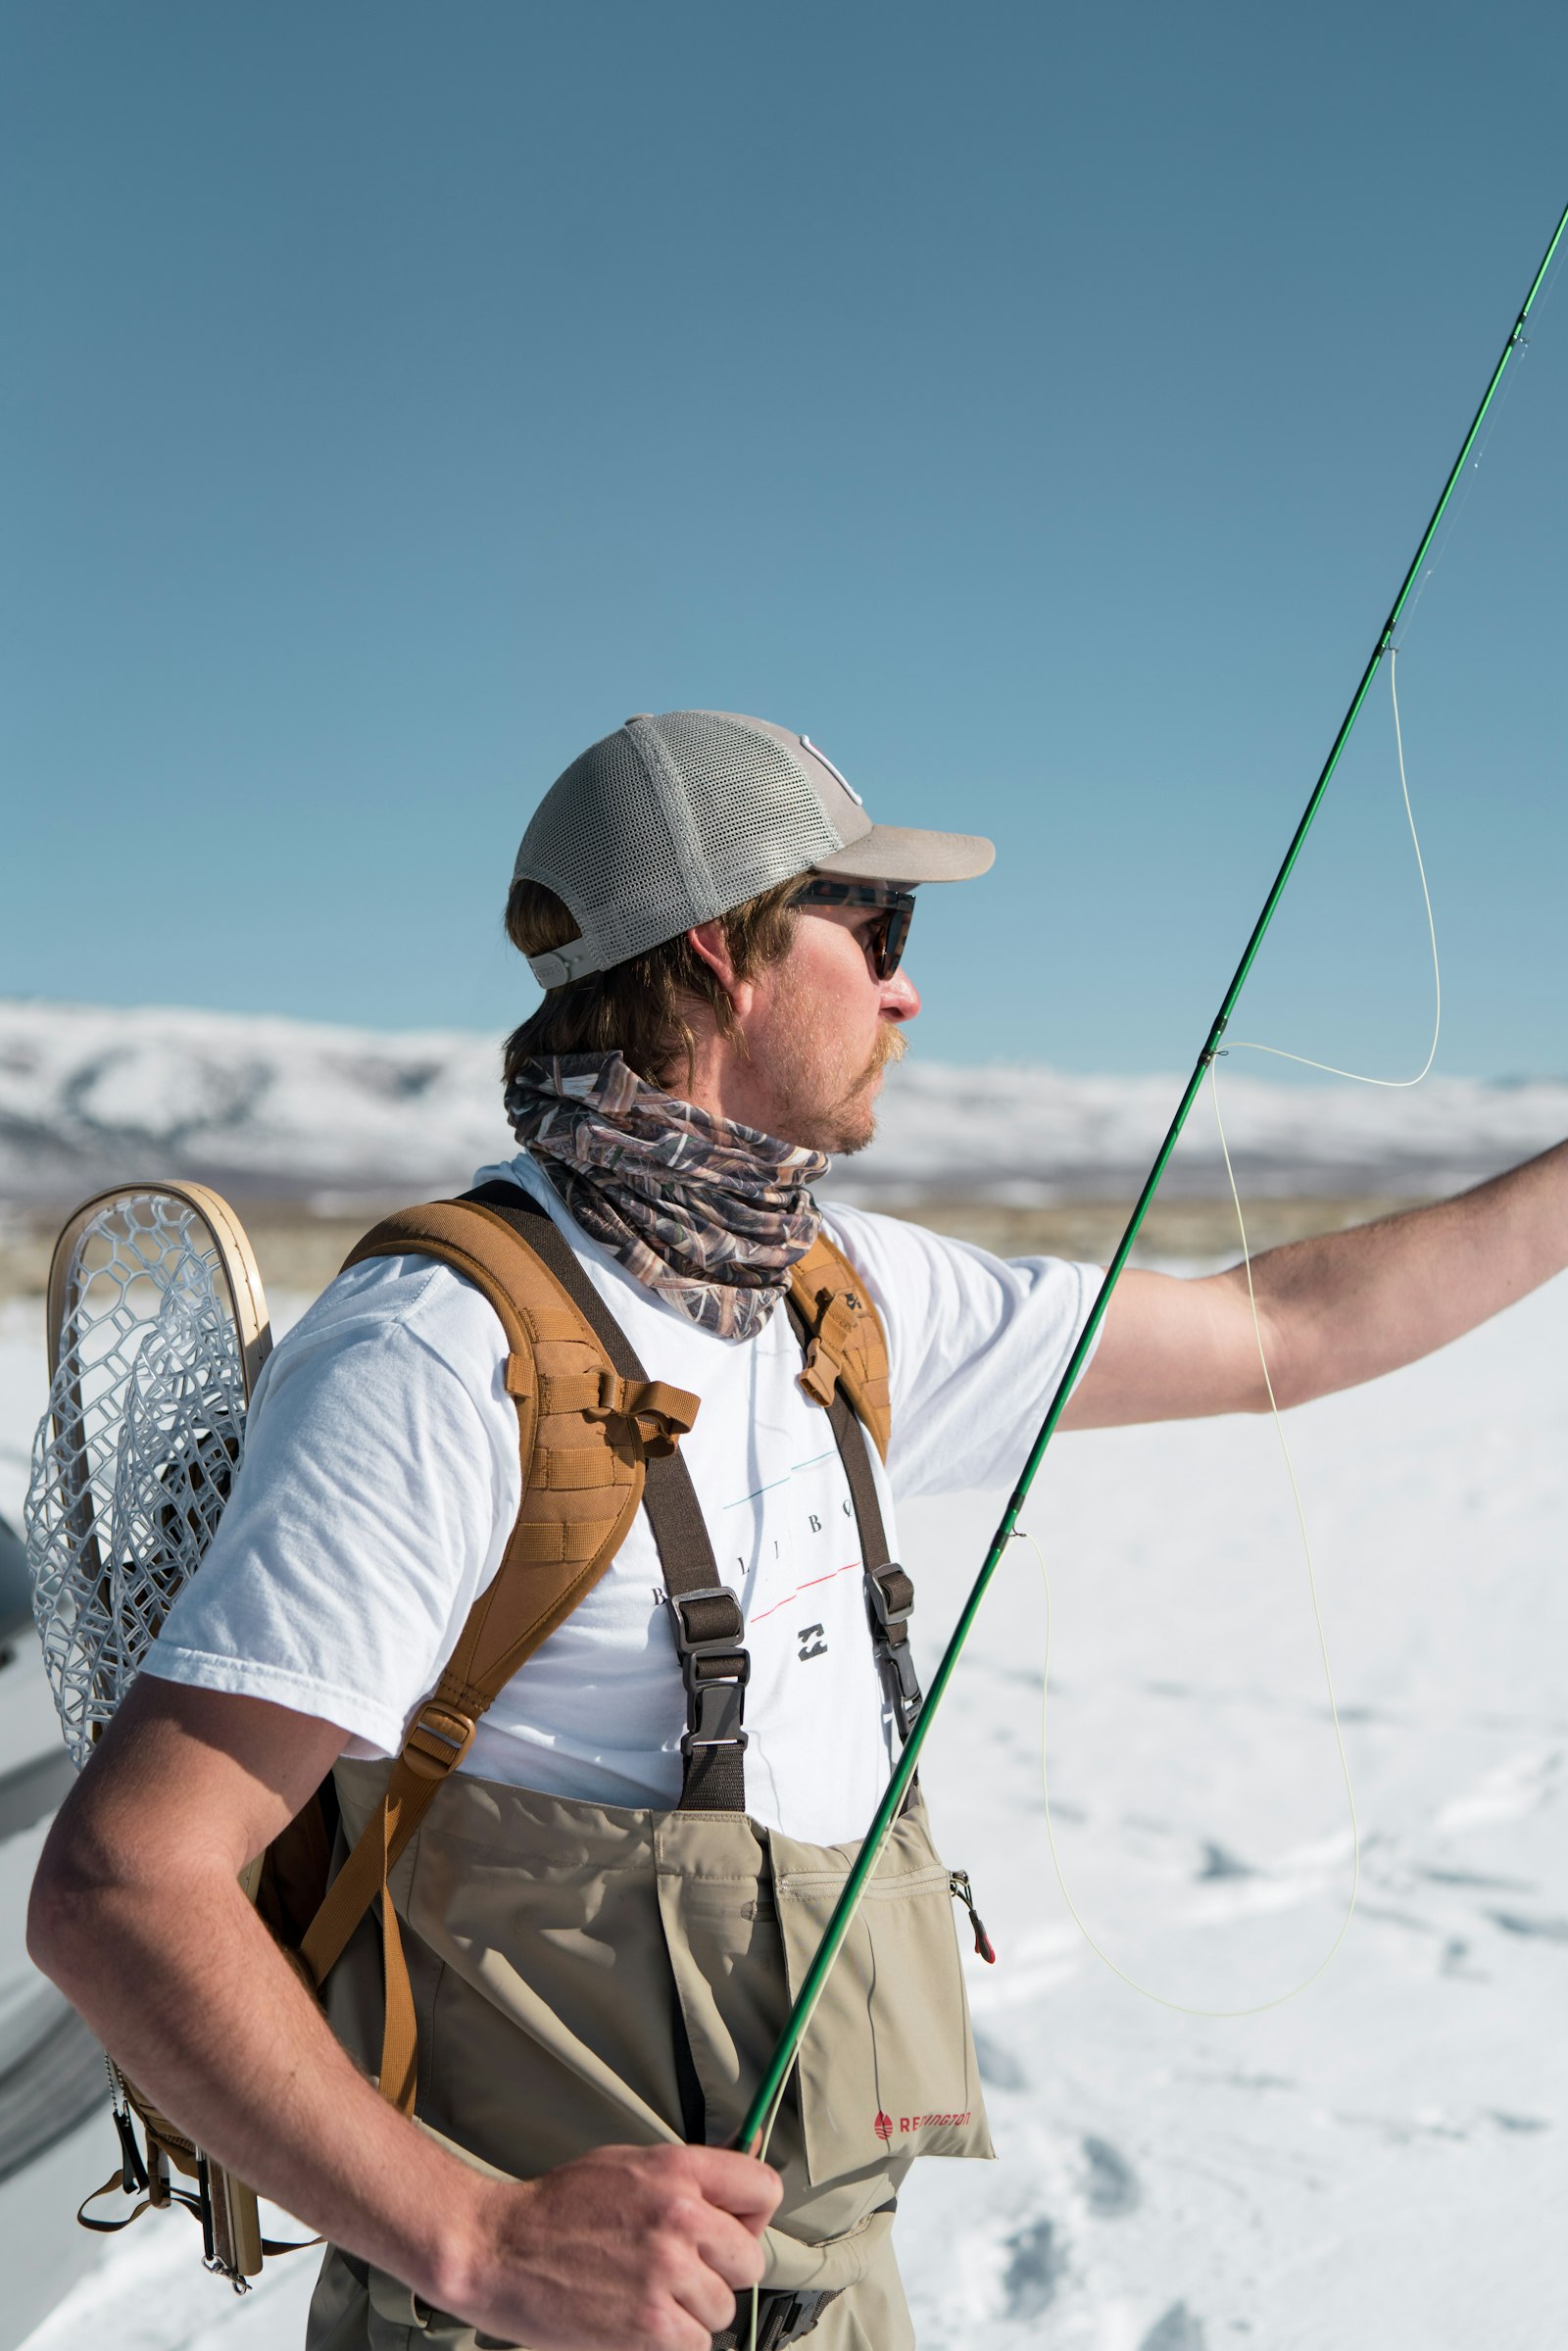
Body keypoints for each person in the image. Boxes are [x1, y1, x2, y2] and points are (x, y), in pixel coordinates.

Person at [27, 710, 1568, 2351]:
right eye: (877, 929)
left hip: (822, 2301)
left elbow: (1280, 1333)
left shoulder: (842, 1297)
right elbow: (124, 1884)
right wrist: (478, 2240)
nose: (910, 990)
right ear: (720, 953)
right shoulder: (438, 1350)